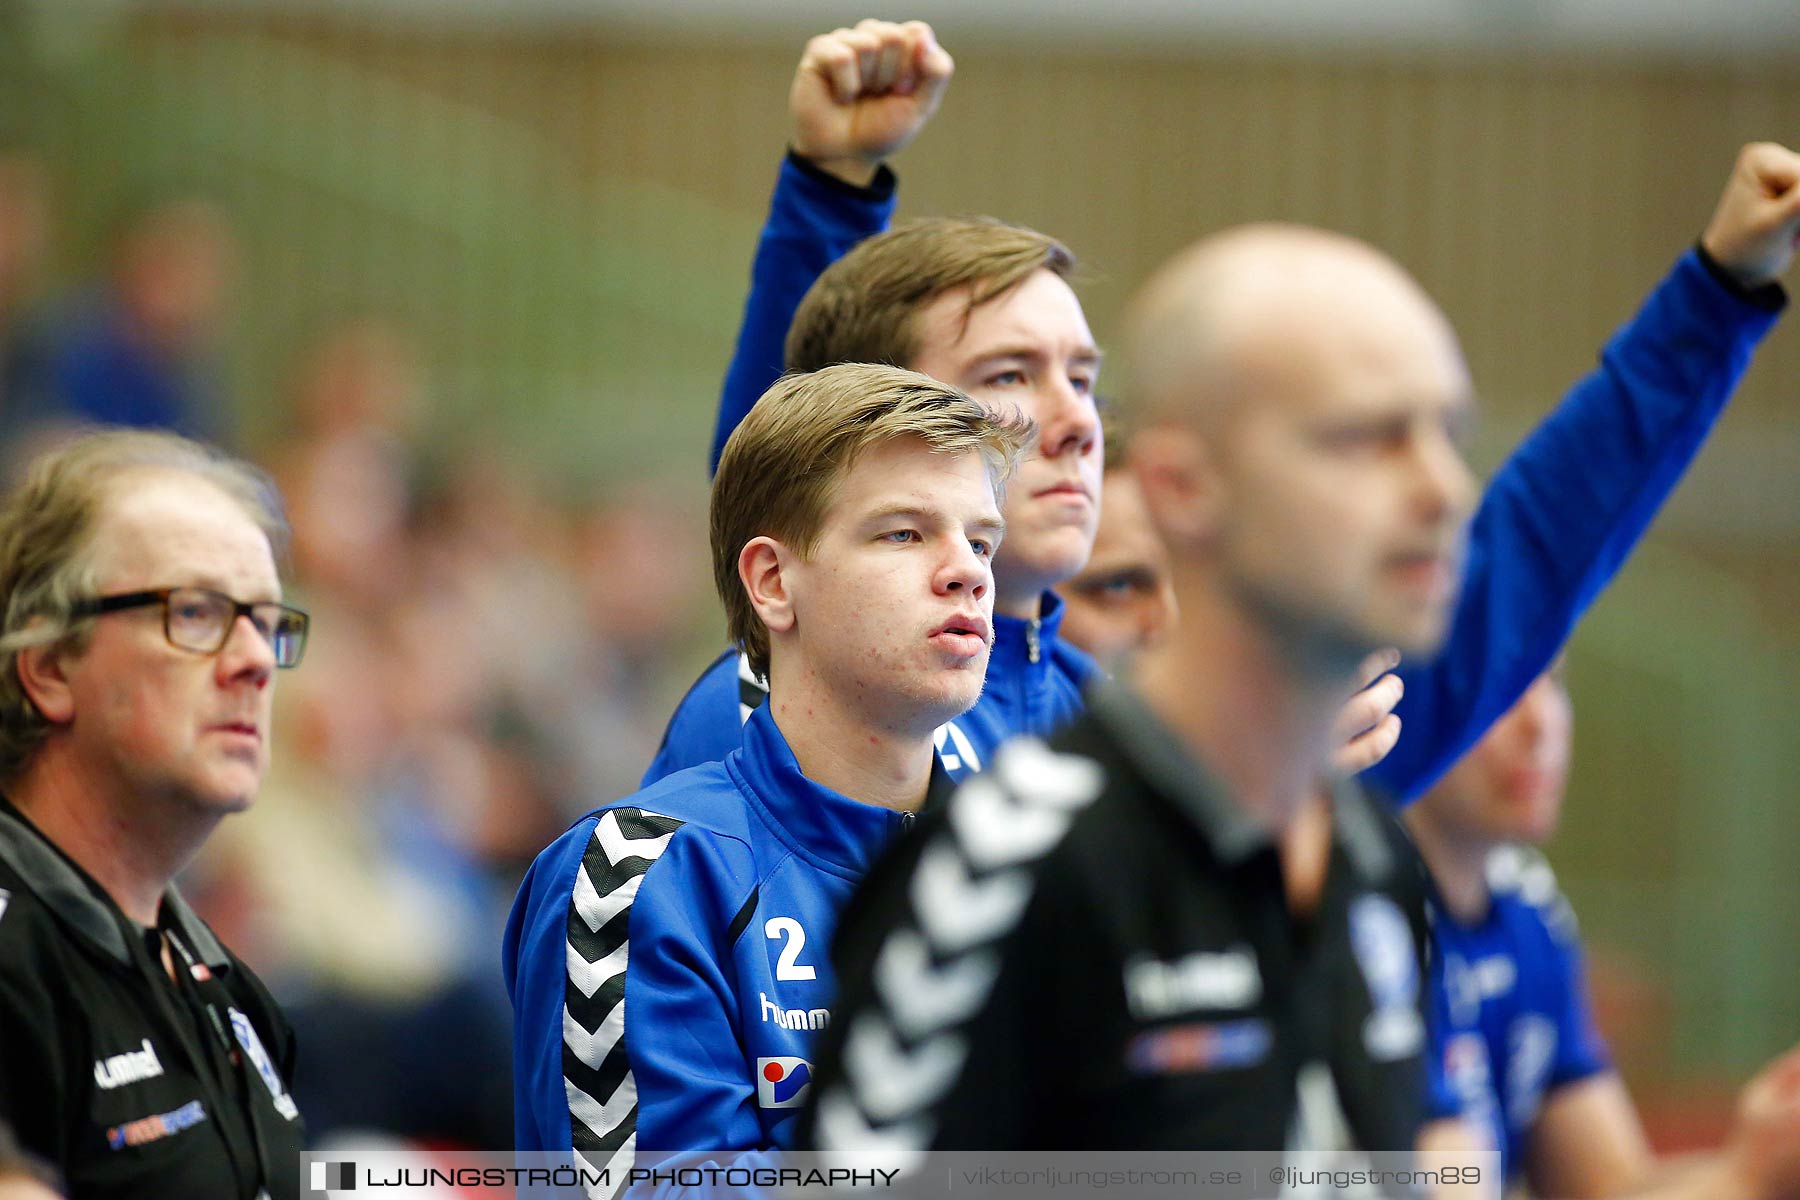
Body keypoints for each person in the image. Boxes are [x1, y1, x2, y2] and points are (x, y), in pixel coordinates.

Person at [800, 200, 1800, 1155]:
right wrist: (829, 190)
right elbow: (793, 470)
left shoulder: (1362, 855)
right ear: (1186, 487)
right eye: (1364, 439)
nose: (1442, 491)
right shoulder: (994, 850)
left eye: (1447, 436)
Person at [652, 21, 1790, 810]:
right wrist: (827, 197)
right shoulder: (805, 725)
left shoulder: (1130, 721)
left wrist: (1723, 290)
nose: (1075, 422)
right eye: (1008, 377)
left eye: (1086, 377)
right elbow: (790, 467)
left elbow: (1515, 563)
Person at [504, 365, 1030, 1181]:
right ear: (774, 582)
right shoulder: (641, 878)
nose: (969, 570)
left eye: (981, 539)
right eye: (904, 532)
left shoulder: (1043, 872)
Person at [0, 430, 308, 1200]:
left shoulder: (220, 983)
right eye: (197, 612)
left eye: (268, 623)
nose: (256, 661)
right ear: (48, 667)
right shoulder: (16, 958)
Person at [1409, 671, 1800, 1197]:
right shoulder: (1362, 926)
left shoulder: (1527, 913)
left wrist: (1759, 1166)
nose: (1540, 724)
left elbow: (1612, 1190)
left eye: (1556, 681)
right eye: (1502, 681)